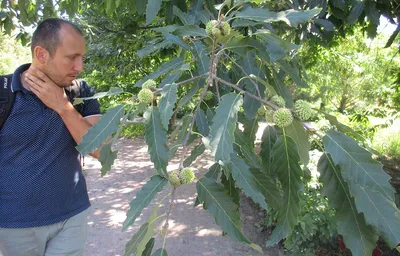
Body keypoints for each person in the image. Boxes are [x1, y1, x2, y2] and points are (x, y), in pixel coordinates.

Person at [0, 18, 102, 255]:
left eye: (82, 57)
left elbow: (100, 149)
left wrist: (63, 107)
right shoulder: (4, 93)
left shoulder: (81, 92)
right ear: (41, 54)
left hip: (72, 217)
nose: (80, 66)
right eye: (71, 57)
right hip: (14, 224)